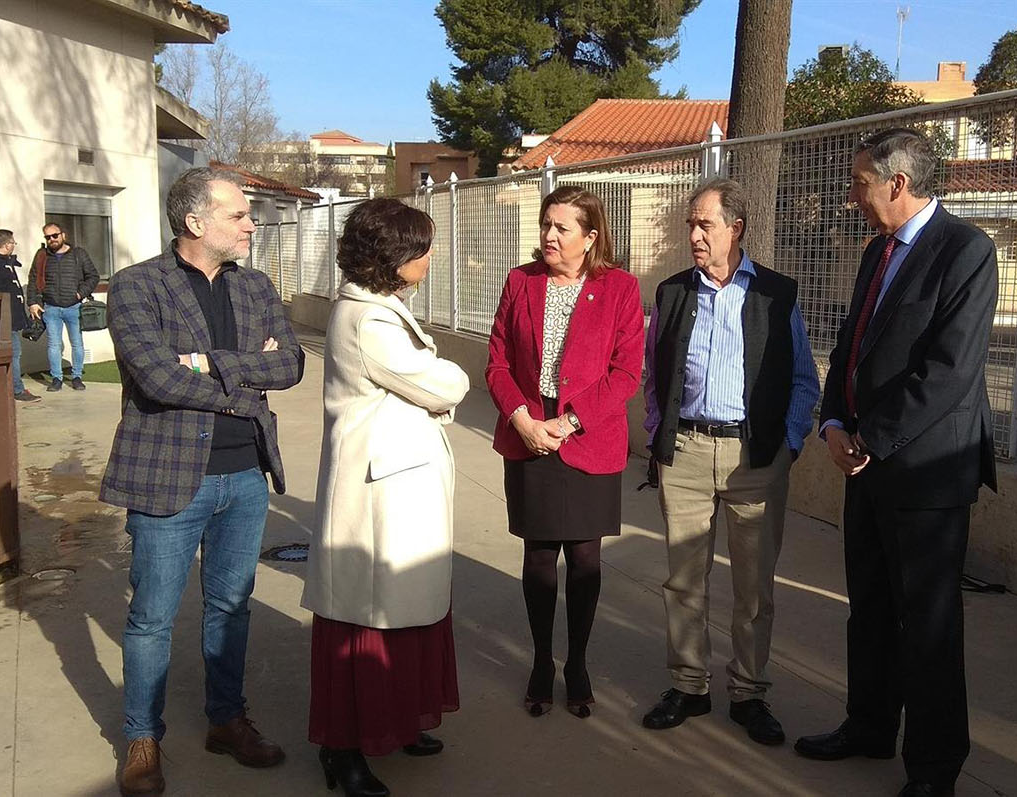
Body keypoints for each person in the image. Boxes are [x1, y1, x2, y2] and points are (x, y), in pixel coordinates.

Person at [793, 128, 998, 797]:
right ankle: (868, 724)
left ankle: (934, 769)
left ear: (897, 183)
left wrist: (870, 436)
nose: (852, 195)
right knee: (871, 609)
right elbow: (849, 345)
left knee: (928, 624)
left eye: (858, 182)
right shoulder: (875, 251)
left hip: (927, 474)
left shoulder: (965, 251)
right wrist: (831, 422)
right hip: (865, 463)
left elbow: (949, 371)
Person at [100, 167, 305, 796]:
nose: (251, 224)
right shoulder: (137, 287)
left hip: (245, 475)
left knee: (231, 608)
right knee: (152, 619)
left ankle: (226, 720)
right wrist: (245, 386)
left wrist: (208, 364)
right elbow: (158, 380)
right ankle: (141, 737)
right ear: (196, 223)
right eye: (239, 215)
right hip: (166, 476)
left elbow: (291, 363)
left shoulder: (256, 286)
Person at [640, 178, 820, 745]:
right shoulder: (672, 293)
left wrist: (786, 448)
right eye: (690, 224)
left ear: (735, 228)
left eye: (704, 224)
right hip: (687, 454)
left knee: (754, 587)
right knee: (684, 581)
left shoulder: (777, 294)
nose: (693, 234)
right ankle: (689, 686)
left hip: (756, 458)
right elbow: (654, 378)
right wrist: (660, 436)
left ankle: (748, 693)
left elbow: (802, 382)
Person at [302, 198, 469, 797]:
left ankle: (397, 721)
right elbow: (440, 381)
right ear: (395, 257)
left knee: (403, 610)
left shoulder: (382, 307)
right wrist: (442, 376)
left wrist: (429, 377)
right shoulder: (367, 320)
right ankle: (342, 748)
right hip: (378, 492)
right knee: (366, 615)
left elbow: (422, 382)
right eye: (421, 246)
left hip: (397, 483)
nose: (429, 256)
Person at [485, 185, 645, 719]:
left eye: (562, 228)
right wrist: (523, 420)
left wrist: (570, 421)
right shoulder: (520, 282)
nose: (549, 236)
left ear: (590, 236)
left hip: (588, 435)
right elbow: (498, 362)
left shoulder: (619, 288)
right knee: (538, 556)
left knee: (583, 557)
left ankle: (576, 661)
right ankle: (540, 660)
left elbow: (625, 373)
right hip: (529, 431)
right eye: (545, 225)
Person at [26, 222, 99, 391]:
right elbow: (33, 280)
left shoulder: (78, 254)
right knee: (53, 345)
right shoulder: (42, 255)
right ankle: (57, 379)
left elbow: (93, 276)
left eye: (55, 235)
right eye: (47, 237)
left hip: (73, 307)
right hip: (50, 308)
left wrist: (80, 293)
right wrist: (32, 302)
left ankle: (77, 377)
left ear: (63, 235)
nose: (51, 239)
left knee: (77, 344)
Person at [0, 228, 40, 401]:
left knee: (11, 353)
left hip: (10, 316)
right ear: (6, 245)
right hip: (3, 316)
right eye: (13, 243)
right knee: (13, 353)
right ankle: (16, 390)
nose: (14, 246)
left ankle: (8, 387)